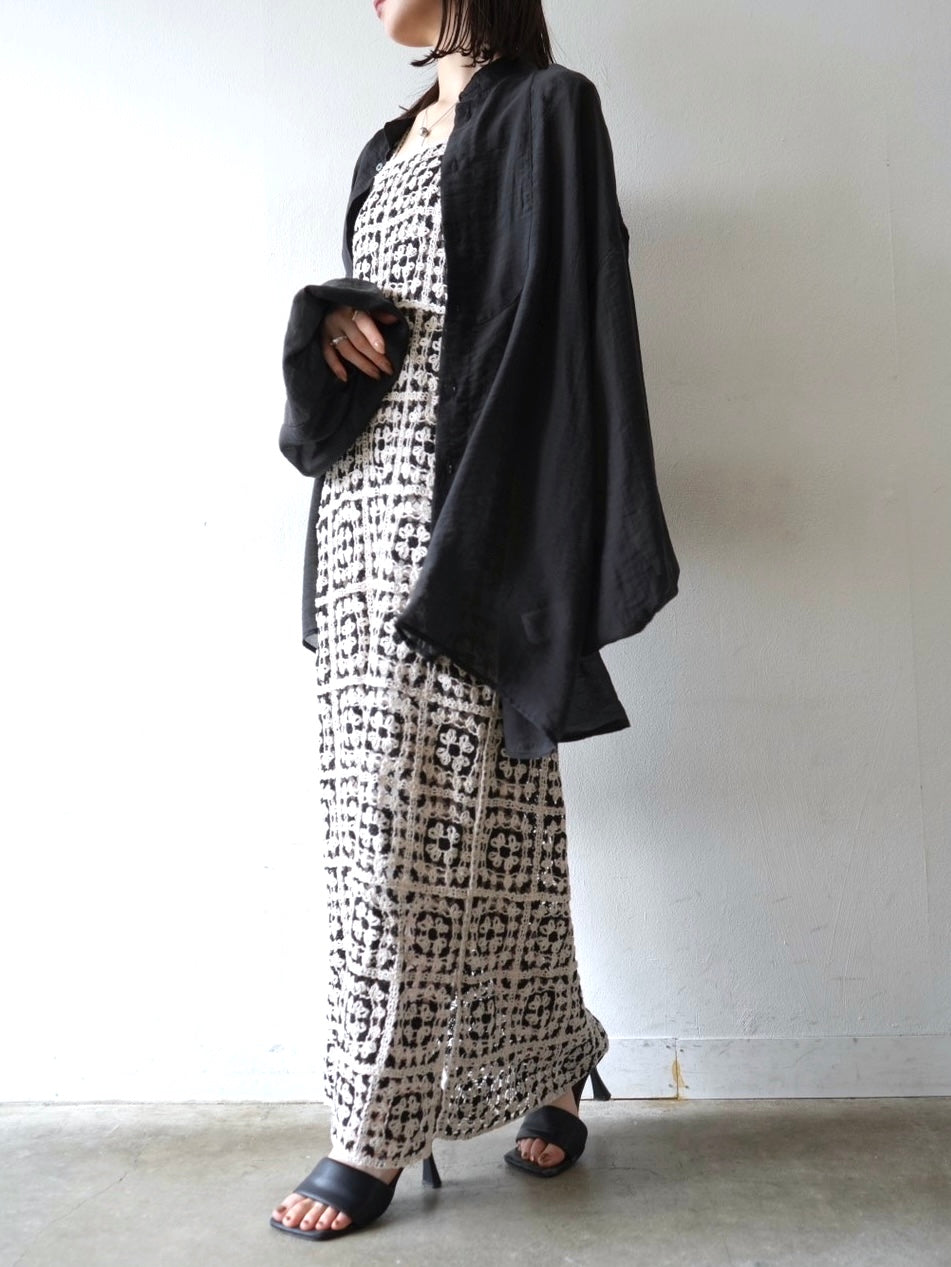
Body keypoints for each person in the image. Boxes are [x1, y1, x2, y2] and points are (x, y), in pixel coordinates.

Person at [271, 0, 678, 1243]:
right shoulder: (387, 138)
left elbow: (562, 321)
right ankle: (555, 1063)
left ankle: (374, 1125)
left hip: (468, 502)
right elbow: (393, 313)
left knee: (411, 813)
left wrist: (516, 527)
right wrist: (331, 322)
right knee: (484, 811)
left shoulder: (552, 108)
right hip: (361, 504)